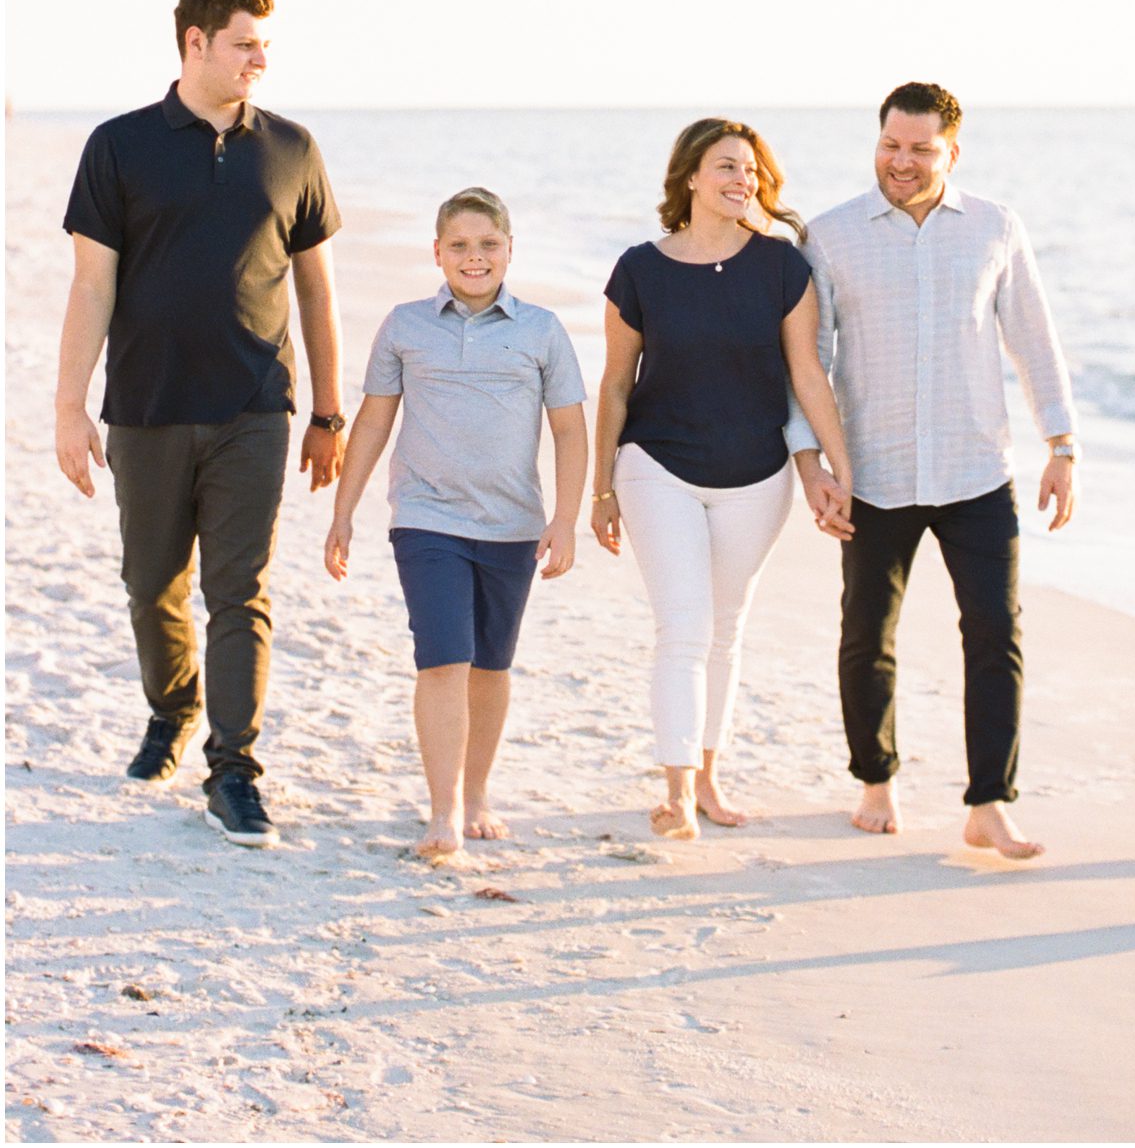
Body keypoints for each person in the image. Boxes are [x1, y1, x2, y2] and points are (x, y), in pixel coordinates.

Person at [56, 0, 346, 848]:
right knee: (150, 584)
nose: (260, 59)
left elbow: (318, 292)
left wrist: (327, 413)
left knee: (239, 592)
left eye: (265, 46)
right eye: (245, 44)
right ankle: (170, 709)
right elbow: (90, 283)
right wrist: (70, 409)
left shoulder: (292, 148)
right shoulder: (119, 146)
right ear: (195, 43)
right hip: (144, 406)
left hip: (255, 407)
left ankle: (234, 768)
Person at [788, 81, 1078, 860]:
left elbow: (1034, 342)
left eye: (920, 149)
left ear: (953, 151)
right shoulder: (831, 234)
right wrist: (810, 462)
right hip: (871, 470)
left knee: (995, 635)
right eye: (891, 145)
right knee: (867, 634)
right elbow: (809, 360)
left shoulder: (995, 227)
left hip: (977, 469)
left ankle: (989, 802)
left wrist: (1063, 446)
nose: (902, 162)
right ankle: (874, 781)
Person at [593, 118, 853, 841]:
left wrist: (838, 465)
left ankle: (707, 776)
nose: (744, 182)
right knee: (683, 623)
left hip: (756, 473)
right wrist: (602, 487)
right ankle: (675, 790)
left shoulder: (781, 267)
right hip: (657, 465)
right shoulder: (639, 269)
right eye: (729, 168)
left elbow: (808, 374)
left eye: (753, 172)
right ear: (690, 178)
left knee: (725, 628)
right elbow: (615, 385)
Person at [324, 188, 587, 862]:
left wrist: (565, 518)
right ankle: (441, 813)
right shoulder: (406, 325)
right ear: (437, 252)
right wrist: (344, 512)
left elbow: (569, 430)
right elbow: (376, 420)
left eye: (488, 245)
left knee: (491, 667)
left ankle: (476, 797)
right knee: (443, 658)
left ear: (509, 250)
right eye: (460, 246)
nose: (475, 258)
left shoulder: (542, 330)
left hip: (512, 524)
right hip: (425, 519)